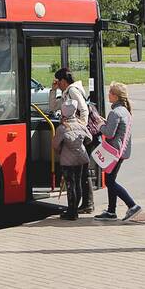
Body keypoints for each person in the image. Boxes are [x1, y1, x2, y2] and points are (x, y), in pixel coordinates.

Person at [49, 68, 93, 213]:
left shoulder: (72, 90)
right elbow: (52, 107)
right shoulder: (66, 92)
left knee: (80, 175)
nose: (57, 84)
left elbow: (84, 109)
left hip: (77, 135)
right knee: (80, 174)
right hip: (76, 135)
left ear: (63, 80)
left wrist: (79, 127)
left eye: (58, 81)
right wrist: (53, 91)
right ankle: (85, 204)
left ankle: (86, 203)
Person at [94, 82, 141, 222]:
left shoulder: (115, 112)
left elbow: (109, 133)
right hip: (121, 151)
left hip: (113, 152)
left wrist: (100, 125)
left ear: (115, 96)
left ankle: (132, 205)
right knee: (110, 180)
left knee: (110, 181)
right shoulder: (125, 111)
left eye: (110, 92)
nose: (108, 94)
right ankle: (111, 211)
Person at [53, 97, 91, 221]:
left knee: (70, 185)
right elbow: (89, 138)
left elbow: (55, 145)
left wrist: (61, 151)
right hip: (82, 158)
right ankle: (75, 210)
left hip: (67, 161)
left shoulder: (62, 129)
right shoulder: (81, 125)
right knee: (78, 183)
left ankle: (71, 211)